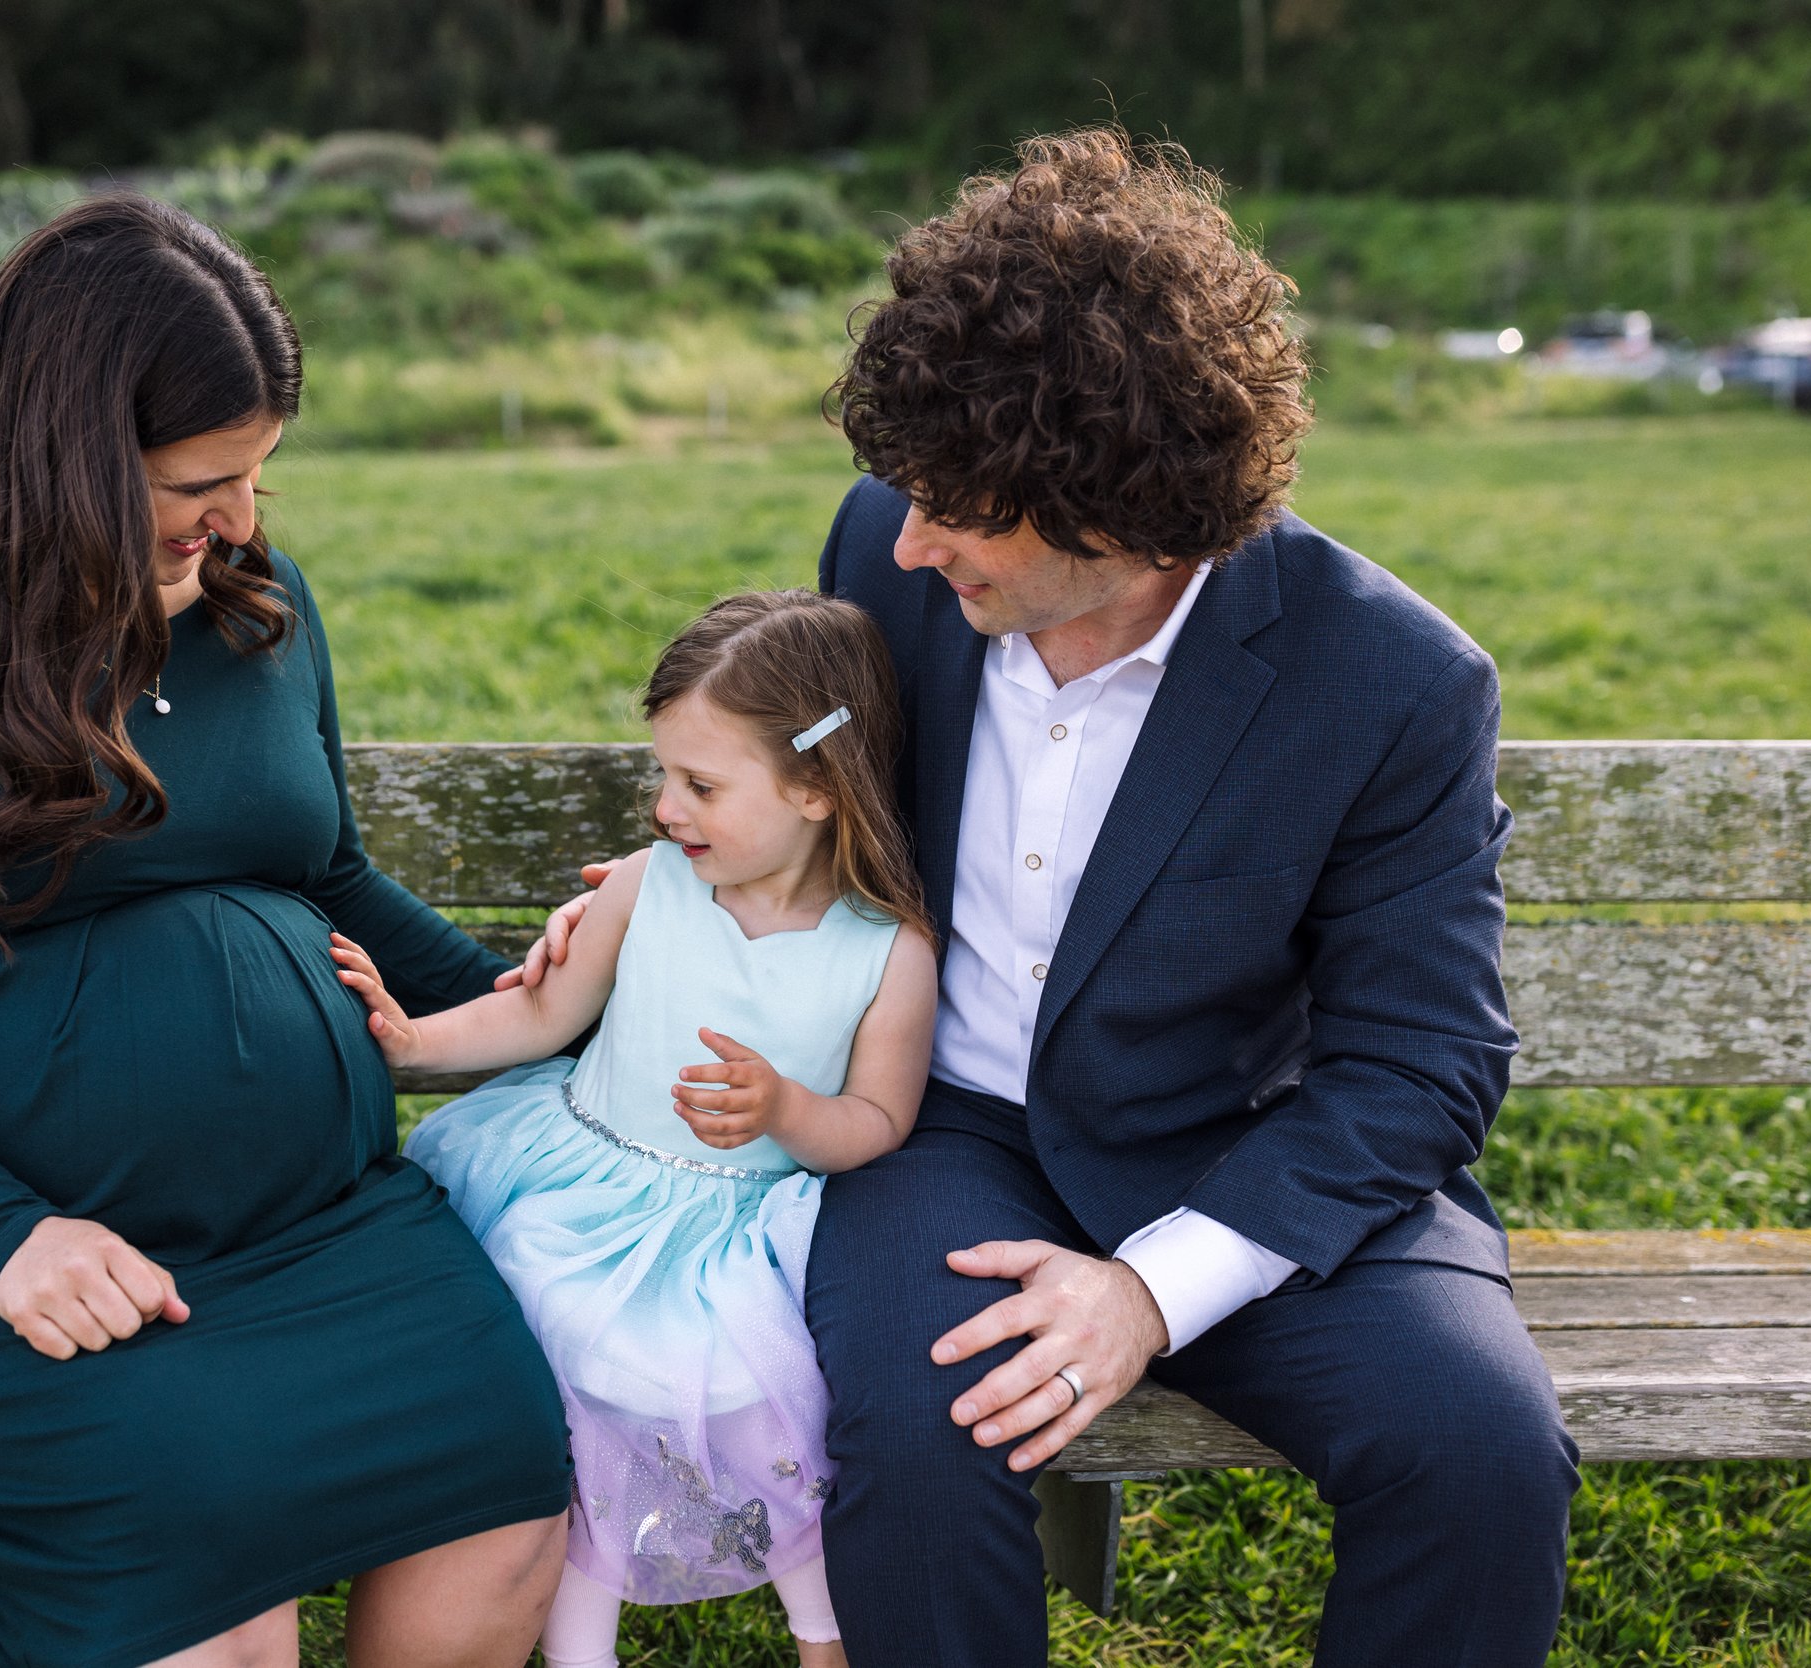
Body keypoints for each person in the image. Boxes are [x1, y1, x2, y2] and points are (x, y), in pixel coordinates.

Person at [523, 130, 1580, 1666]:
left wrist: (1151, 1291)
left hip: (1246, 1156)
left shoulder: (1393, 683)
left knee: (1479, 1453)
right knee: (917, 1427)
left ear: (1125, 507)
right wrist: (658, 881)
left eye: (959, 505)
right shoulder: (889, 564)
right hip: (934, 1126)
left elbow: (1422, 1065)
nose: (907, 538)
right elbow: (804, 792)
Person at [0, 195, 573, 1668]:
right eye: (203, 479)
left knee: (503, 1488)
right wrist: (5, 1239)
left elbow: (331, 876)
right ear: (68, 456)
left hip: (316, 1232)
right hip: (6, 1257)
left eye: (258, 476)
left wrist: (554, 993)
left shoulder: (257, 608)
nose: (241, 520)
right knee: (209, 1599)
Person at [333, 591, 941, 1668]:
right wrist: (412, 1046)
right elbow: (541, 1012)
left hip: (742, 1228)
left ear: (814, 787)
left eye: (700, 784)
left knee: (768, 1389)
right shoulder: (649, 886)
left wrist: (788, 1111)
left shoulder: (884, 951)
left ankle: (823, 1627)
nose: (666, 808)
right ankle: (579, 1645)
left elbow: (878, 1121)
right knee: (562, 1367)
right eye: (663, 775)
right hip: (579, 1188)